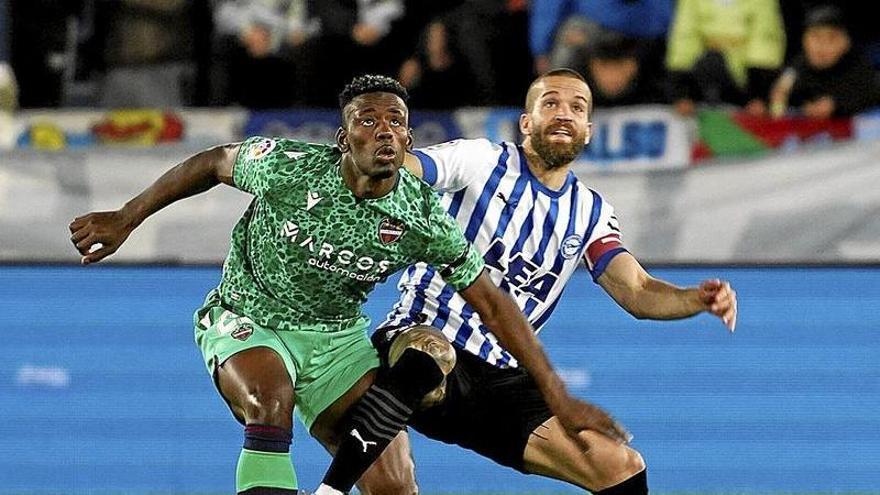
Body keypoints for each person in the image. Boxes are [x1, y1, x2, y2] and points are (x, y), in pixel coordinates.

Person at [68, 74, 628, 495]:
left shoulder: (422, 217)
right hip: (248, 317)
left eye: (396, 121)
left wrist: (559, 399)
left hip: (336, 340)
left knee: (394, 482)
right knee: (270, 401)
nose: (384, 129)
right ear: (344, 137)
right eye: (368, 119)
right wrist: (126, 217)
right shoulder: (289, 165)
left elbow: (494, 305)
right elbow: (213, 162)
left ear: (408, 139)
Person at [317, 68, 738, 495]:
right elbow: (404, 165)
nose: (564, 114)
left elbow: (637, 289)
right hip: (419, 344)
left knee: (619, 465)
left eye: (577, 108)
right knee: (429, 360)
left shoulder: (589, 212)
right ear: (525, 122)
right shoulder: (479, 160)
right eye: (550, 103)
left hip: (500, 378)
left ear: (588, 131)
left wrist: (695, 299)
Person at [769, 5, 880, 119]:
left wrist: (836, 104)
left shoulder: (860, 69)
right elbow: (780, 96)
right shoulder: (797, 67)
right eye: (816, 36)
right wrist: (778, 100)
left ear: (846, 42)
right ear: (804, 40)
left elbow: (868, 95)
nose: (822, 46)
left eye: (832, 38)